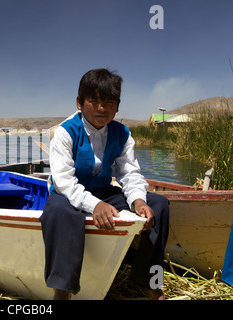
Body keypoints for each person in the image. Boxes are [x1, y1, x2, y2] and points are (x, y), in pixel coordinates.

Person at [39, 68, 169, 300]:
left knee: (158, 204)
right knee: (59, 211)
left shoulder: (122, 133)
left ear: (117, 106)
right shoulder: (65, 132)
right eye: (94, 101)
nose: (101, 108)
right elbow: (64, 181)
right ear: (79, 103)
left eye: (109, 102)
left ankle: (146, 280)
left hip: (102, 190)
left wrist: (138, 200)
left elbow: (129, 173)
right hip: (67, 193)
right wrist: (95, 205)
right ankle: (62, 290)